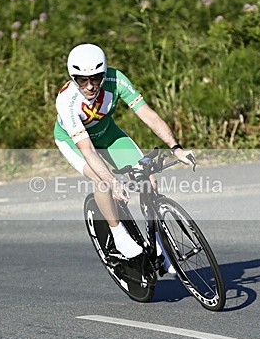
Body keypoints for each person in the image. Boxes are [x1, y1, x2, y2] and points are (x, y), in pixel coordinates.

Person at [54, 43, 195, 259]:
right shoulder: (66, 101)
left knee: (148, 178)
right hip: (75, 142)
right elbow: (88, 150)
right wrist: (112, 181)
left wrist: (176, 148)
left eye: (96, 78)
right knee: (101, 181)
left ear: (104, 73)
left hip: (107, 132)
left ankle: (157, 243)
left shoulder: (116, 80)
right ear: (73, 78)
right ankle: (118, 234)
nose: (90, 86)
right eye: (82, 79)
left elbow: (147, 114)